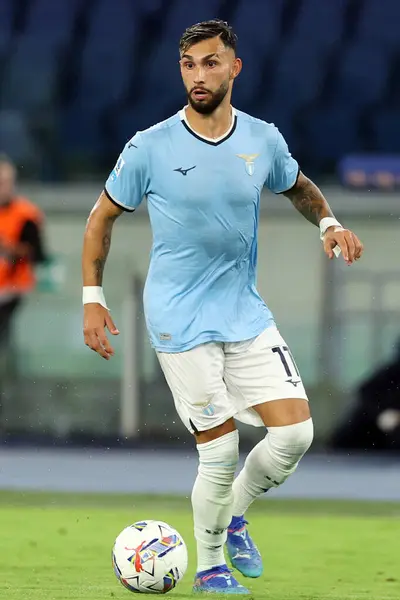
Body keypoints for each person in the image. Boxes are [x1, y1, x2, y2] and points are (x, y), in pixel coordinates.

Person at [82, 20, 364, 594]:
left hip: (243, 312)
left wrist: (330, 222)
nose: (199, 75)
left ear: (235, 69)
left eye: (211, 63)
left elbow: (300, 186)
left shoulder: (262, 139)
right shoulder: (149, 146)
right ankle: (209, 568)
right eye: (189, 65)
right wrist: (93, 298)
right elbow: (101, 217)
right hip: (180, 321)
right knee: (221, 449)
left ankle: (233, 515)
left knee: (295, 436)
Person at [0, 155, 47, 397]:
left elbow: (38, 254)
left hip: (15, 293)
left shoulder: (26, 215)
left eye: (7, 182)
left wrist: (9, 248)